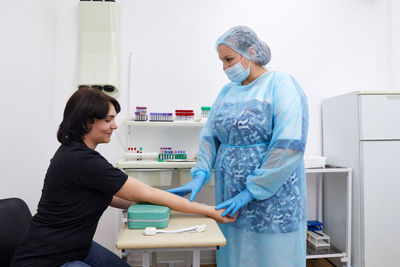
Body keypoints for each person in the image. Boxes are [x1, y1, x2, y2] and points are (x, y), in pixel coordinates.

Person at [10, 87, 236, 267]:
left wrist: (164, 203)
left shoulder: (74, 154)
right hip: (47, 259)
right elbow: (146, 191)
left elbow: (110, 198)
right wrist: (208, 210)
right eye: (108, 120)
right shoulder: (83, 162)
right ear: (87, 121)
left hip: (76, 247)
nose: (114, 126)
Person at [168, 25, 309, 267]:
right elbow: (210, 135)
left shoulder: (281, 84)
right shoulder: (227, 92)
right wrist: (200, 172)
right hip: (231, 192)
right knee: (235, 252)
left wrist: (252, 190)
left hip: (273, 197)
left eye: (229, 59)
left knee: (272, 255)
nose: (224, 67)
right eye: (221, 60)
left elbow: (289, 145)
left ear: (251, 52)